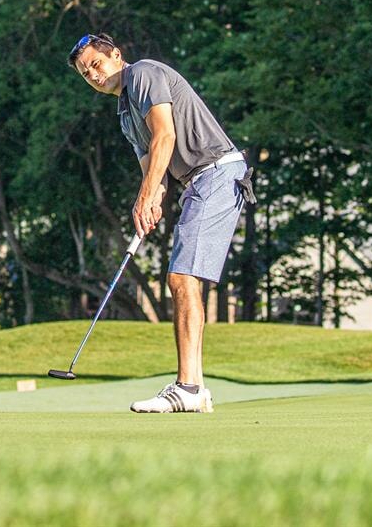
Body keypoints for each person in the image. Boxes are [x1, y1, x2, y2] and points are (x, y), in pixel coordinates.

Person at [67, 33, 253, 413]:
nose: (94, 75)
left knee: (181, 278)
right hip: (196, 182)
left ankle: (187, 386)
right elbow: (155, 170)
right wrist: (150, 202)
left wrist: (146, 196)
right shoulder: (123, 115)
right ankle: (196, 388)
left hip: (217, 172)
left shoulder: (143, 75)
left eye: (96, 64)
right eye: (86, 73)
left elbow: (165, 136)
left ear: (116, 55)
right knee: (182, 278)